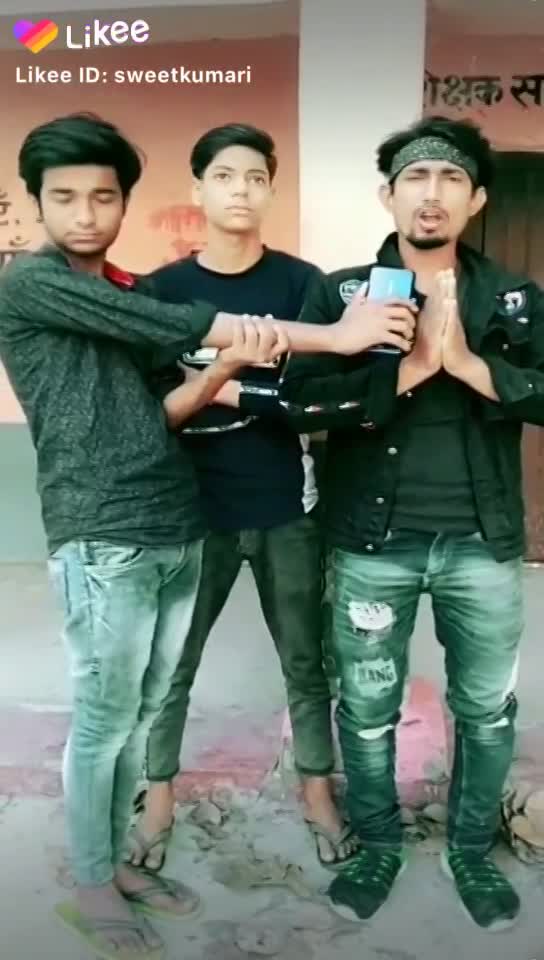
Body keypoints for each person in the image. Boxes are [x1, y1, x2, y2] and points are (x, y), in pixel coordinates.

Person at [0, 114, 415, 960]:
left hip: (175, 523)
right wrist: (338, 335)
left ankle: (115, 863)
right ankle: (91, 882)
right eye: (64, 197)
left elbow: (164, 410)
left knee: (140, 709)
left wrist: (225, 369)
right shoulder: (34, 282)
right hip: (102, 533)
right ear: (35, 202)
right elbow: (186, 326)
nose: (85, 213)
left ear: (124, 203)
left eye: (102, 197)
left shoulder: (128, 289)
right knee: (105, 719)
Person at [279, 115, 544, 931]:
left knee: (486, 711)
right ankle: (379, 846)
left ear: (476, 199)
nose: (432, 194)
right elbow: (299, 404)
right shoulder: (343, 294)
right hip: (373, 545)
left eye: (450, 178)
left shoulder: (513, 298)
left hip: (482, 545)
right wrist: (413, 368)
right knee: (366, 710)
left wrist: (466, 363)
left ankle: (470, 849)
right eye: (416, 179)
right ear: (387, 195)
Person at [127, 123, 362, 873]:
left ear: (270, 190)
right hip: (193, 511)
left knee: (306, 660)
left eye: (256, 178)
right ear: (198, 188)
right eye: (225, 176)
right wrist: (241, 380)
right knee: (171, 664)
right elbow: (155, 407)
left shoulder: (301, 284)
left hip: (286, 505)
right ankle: (157, 796)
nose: (241, 190)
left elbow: (318, 396)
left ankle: (317, 792)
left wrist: (222, 386)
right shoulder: (163, 292)